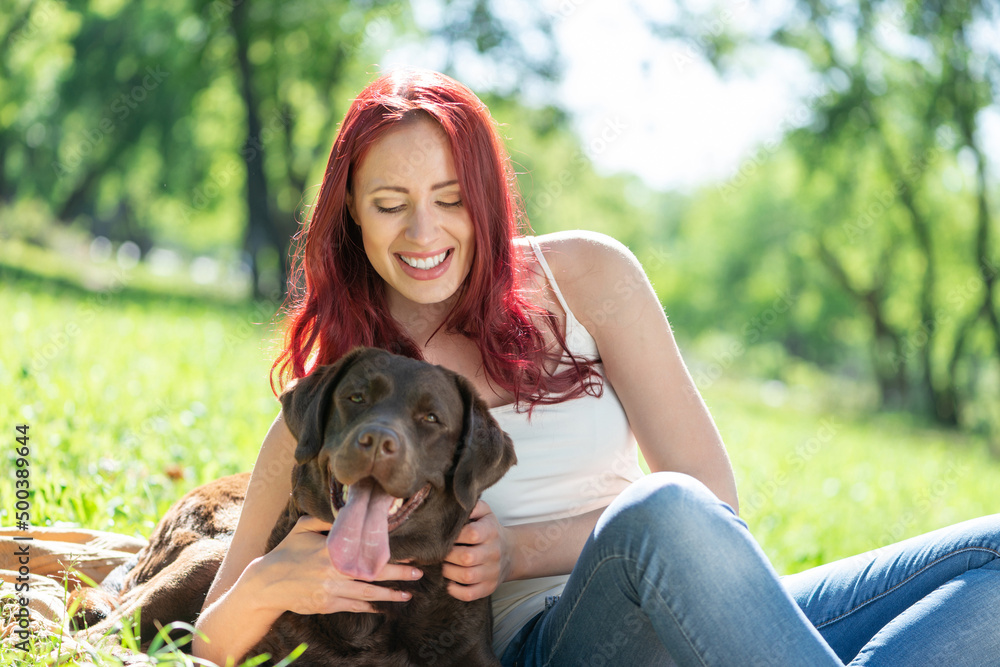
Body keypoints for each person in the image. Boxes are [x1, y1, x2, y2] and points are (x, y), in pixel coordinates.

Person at [193, 68, 1000, 666]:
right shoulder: (351, 395)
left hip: (709, 608)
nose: (423, 230)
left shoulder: (587, 276)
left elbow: (717, 497)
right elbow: (208, 635)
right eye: (389, 202)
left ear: (485, 194)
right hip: (552, 643)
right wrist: (271, 581)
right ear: (351, 216)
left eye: (449, 196)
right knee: (660, 513)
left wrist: (518, 543)